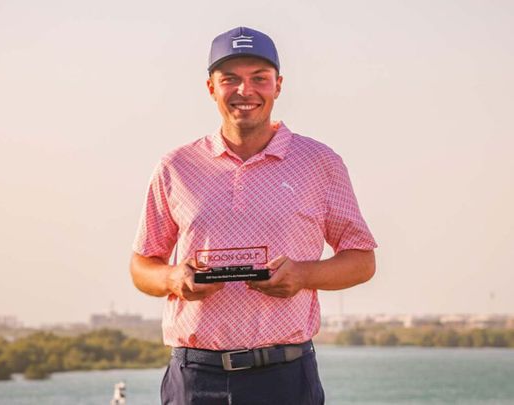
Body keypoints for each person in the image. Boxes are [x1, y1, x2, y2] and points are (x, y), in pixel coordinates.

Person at [130, 26, 377, 405]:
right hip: (195, 378)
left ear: (278, 85)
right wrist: (173, 277)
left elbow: (362, 261)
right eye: (230, 79)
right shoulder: (176, 166)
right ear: (211, 87)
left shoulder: (320, 163)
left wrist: (303, 275)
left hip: (286, 376)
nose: (245, 91)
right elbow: (142, 264)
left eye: (259, 79)